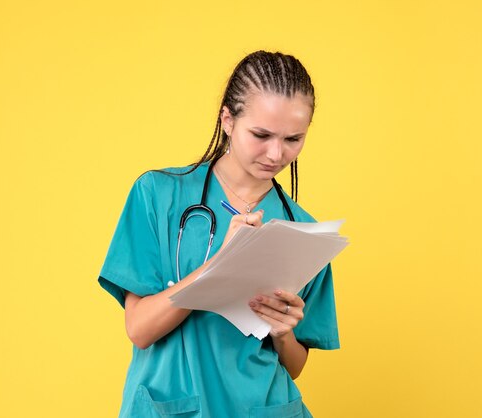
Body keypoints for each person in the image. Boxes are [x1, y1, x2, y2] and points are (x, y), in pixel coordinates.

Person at [98, 50, 339, 418]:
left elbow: (293, 366)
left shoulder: (302, 231)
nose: (276, 153)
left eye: (293, 139)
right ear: (228, 119)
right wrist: (219, 266)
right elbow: (140, 329)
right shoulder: (158, 195)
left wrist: (284, 332)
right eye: (261, 134)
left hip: (264, 406)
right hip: (175, 405)